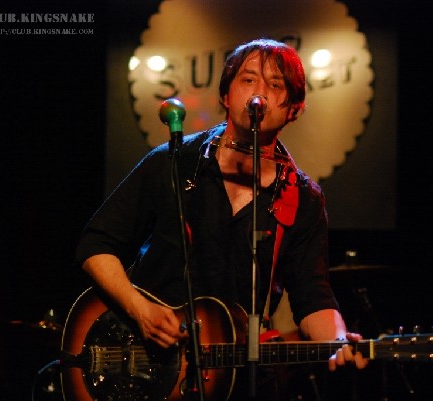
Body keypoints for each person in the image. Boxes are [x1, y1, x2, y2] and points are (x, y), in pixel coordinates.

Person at [74, 38, 367, 399]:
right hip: (140, 358)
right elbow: (96, 245)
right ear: (226, 96)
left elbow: (313, 296)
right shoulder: (173, 162)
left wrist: (337, 341)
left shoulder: (302, 198)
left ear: (293, 109)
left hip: (232, 381)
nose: (259, 93)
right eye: (248, 80)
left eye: (276, 85)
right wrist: (140, 310)